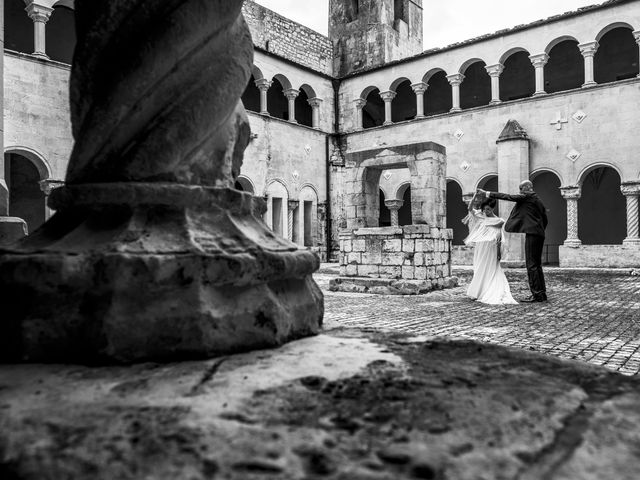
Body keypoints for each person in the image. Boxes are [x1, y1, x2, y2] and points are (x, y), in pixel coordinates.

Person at [478, 180, 548, 303]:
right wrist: (539, 229)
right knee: (537, 265)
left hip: (532, 234)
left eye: (521, 189)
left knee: (531, 265)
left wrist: (487, 193)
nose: (519, 191)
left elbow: (508, 197)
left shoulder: (527, 196)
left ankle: (537, 294)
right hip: (539, 233)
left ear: (527, 188)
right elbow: (545, 218)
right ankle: (541, 294)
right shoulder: (538, 200)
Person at [462, 191, 517, 305]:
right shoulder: (481, 216)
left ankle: (488, 291)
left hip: (491, 248)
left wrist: (498, 252)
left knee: (490, 268)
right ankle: (478, 292)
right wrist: (474, 197)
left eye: (488, 209)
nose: (486, 211)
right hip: (481, 247)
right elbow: (470, 208)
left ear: (492, 208)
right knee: (479, 267)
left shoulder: (499, 221)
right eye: (484, 209)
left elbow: (498, 237)